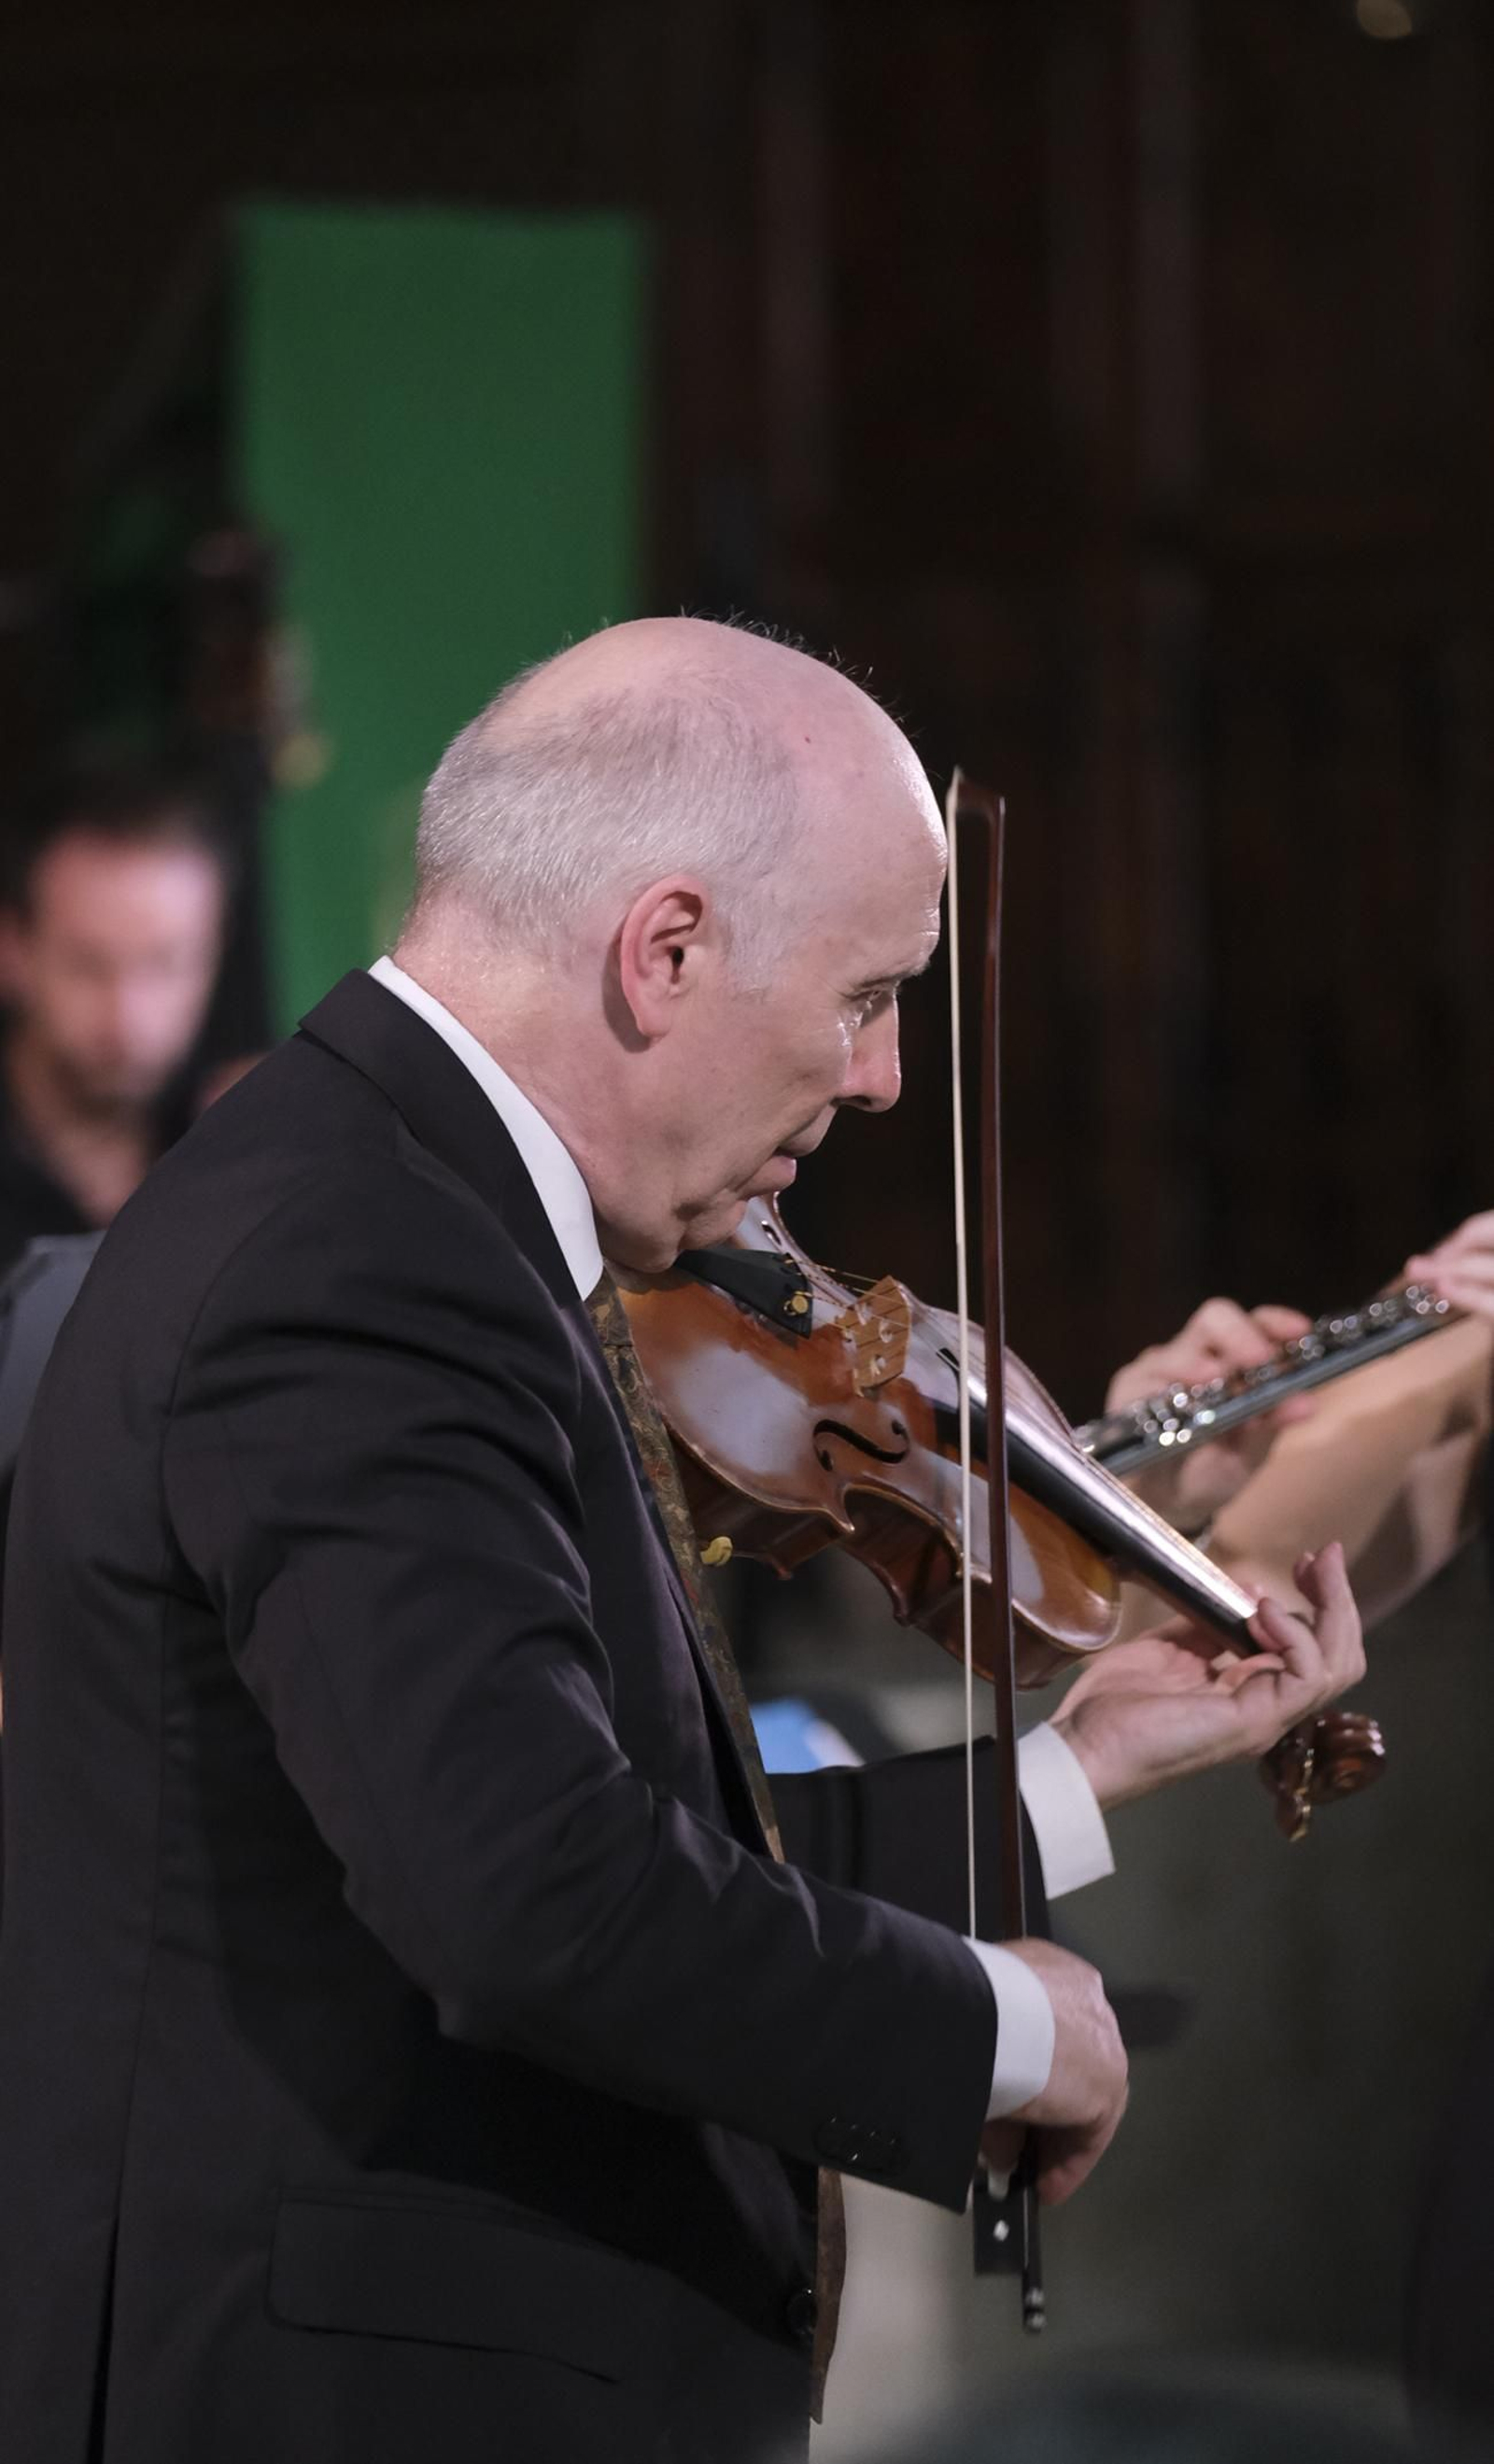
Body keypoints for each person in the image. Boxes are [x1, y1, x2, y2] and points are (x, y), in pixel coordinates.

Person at [0, 619, 1362, 2464]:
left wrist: (1068, 1766)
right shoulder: (366, 1258)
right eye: (867, 993)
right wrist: (995, 2030)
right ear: (664, 947)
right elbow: (527, 1889)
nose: (880, 1074)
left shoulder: (414, 1218)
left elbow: (601, 1820)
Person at [0, 756, 232, 1276]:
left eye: (167, 962)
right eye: (88, 965)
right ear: (12, 948)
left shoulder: (248, 1144)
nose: (130, 1017)